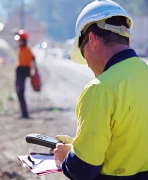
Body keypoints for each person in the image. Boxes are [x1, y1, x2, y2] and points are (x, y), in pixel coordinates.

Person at [53, 0, 148, 179]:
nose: (87, 63)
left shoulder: (100, 90)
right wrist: (80, 146)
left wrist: (67, 157)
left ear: (92, 40)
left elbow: (84, 170)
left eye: (83, 53)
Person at [14, 29, 37, 119]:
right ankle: (23, 113)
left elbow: (33, 58)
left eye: (20, 40)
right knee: (19, 92)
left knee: (21, 92)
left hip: (24, 70)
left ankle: (25, 113)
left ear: (24, 40)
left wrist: (35, 70)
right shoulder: (20, 48)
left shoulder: (27, 49)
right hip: (19, 70)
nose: (18, 42)